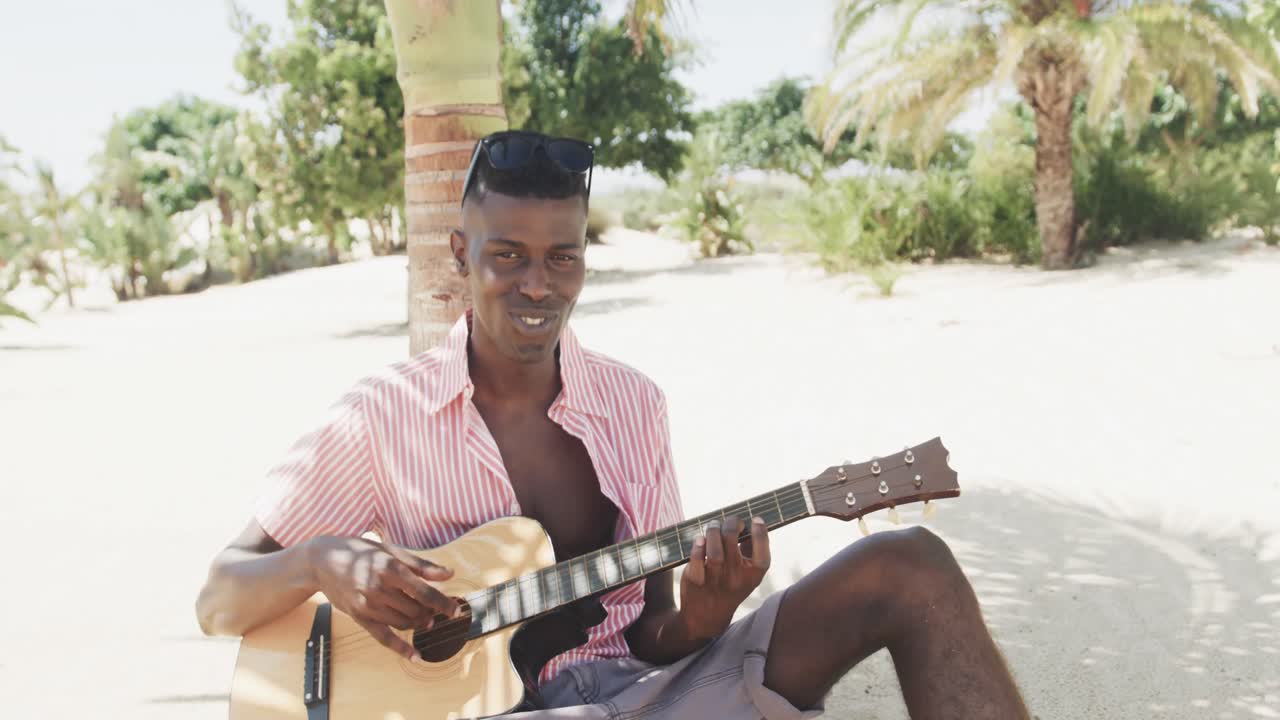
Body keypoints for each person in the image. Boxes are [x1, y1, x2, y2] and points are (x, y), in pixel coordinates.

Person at [196, 130, 1029, 719]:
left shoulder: (634, 405)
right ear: (461, 253)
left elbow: (653, 632)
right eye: (507, 255)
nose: (537, 285)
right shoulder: (382, 415)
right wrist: (321, 560)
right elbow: (219, 595)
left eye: (563, 256)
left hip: (649, 695)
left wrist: (706, 617)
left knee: (909, 565)